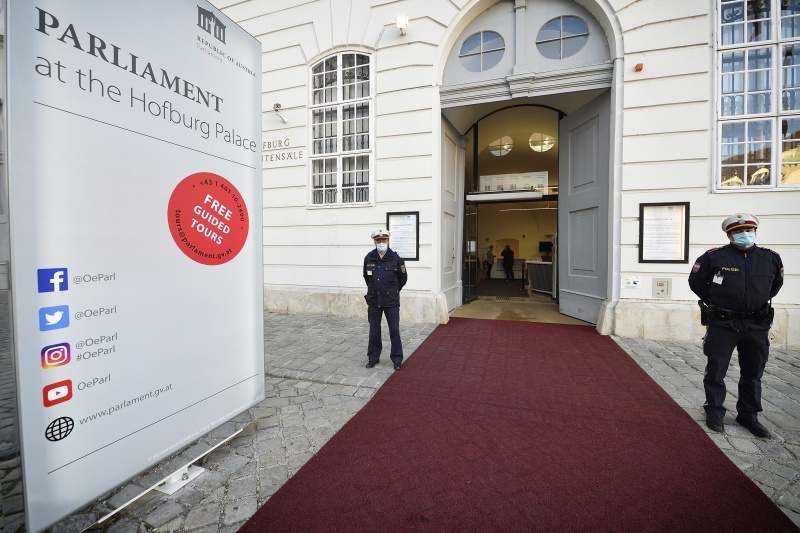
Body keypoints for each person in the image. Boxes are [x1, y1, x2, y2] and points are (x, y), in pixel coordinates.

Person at [688, 213, 783, 439]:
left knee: (753, 372)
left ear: (755, 233)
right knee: (716, 370)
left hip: (755, 324)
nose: (744, 234)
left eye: (748, 231)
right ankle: (714, 411)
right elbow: (696, 282)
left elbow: (775, 286)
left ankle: (748, 415)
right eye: (738, 232)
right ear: (729, 235)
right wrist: (720, 302)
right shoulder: (713, 257)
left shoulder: (770, 258)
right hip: (723, 322)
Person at [363, 229, 407, 370]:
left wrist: (392, 291)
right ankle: (373, 357)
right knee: (374, 330)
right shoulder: (369, 258)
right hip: (374, 300)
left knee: (394, 329)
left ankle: (397, 359)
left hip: (390, 300)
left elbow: (403, 278)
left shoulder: (396, 258)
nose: (382, 243)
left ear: (388, 241)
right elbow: (366, 278)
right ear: (375, 242)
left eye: (384, 241)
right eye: (379, 241)